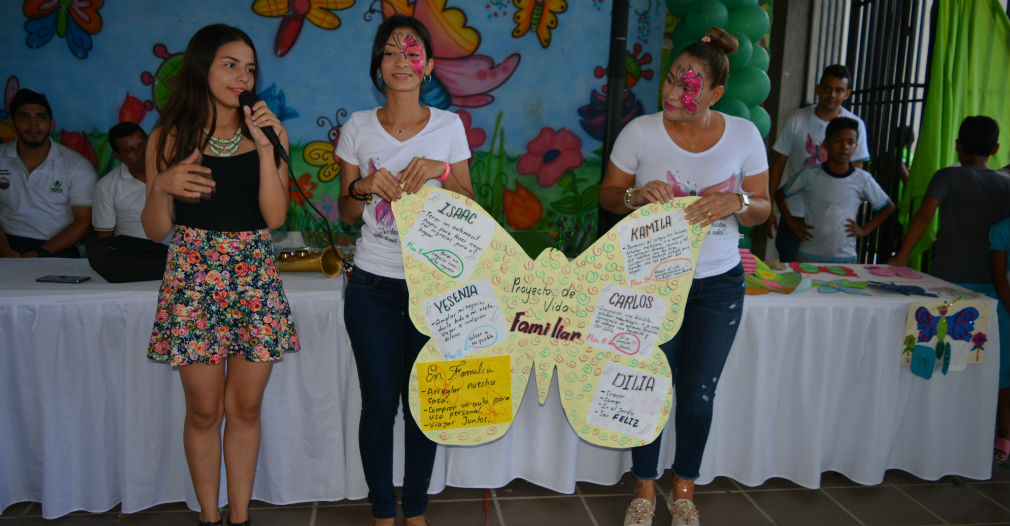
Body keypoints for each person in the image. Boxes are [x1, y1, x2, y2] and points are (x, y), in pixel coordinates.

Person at [599, 28, 770, 526]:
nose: (674, 93)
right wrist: (633, 197)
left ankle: (685, 489)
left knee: (698, 391)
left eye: (689, 86)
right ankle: (645, 489)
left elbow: (761, 208)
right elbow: (608, 196)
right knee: (645, 384)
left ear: (715, 94)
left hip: (718, 284)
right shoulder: (640, 132)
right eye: (672, 80)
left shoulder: (743, 135)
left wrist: (735, 201)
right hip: (650, 282)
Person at [140, 24, 299, 526]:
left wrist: (267, 145)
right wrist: (162, 187)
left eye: (249, 67)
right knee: (205, 409)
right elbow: (154, 229)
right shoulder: (169, 135)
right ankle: (210, 516)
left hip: (253, 273)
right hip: (193, 277)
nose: (242, 75)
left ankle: (240, 517)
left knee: (246, 405)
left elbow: (275, 219)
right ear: (202, 67)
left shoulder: (271, 133)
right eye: (230, 63)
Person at [335, 14, 474, 526]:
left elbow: (470, 203)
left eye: (412, 52)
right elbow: (347, 212)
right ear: (378, 65)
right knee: (377, 404)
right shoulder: (357, 127)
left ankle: (414, 511)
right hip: (371, 282)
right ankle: (381, 512)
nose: (402, 60)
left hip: (433, 285)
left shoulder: (448, 126)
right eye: (391, 51)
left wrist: (440, 170)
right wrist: (363, 188)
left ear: (429, 67)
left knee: (424, 405)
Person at [765, 65, 870, 262]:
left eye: (839, 90)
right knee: (793, 276)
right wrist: (768, 207)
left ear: (847, 94)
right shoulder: (797, 119)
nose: (832, 94)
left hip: (833, 219)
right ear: (818, 89)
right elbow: (777, 165)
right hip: (795, 215)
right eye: (828, 88)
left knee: (831, 281)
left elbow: (856, 174)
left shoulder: (855, 126)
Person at [774, 117, 894, 263]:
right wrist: (791, 222)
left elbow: (888, 207)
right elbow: (780, 195)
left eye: (850, 142)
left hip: (845, 257)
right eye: (838, 141)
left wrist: (864, 230)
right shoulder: (809, 173)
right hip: (808, 255)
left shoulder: (862, 179)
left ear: (856, 146)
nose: (845, 147)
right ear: (826, 144)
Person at [0, 88, 96, 258]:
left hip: (56, 246)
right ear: (12, 123)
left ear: (52, 124)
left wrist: (40, 253)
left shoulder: (77, 165)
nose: (33, 123)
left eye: (41, 117)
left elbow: (84, 223)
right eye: (24, 117)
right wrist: (4, 250)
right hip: (7, 242)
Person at [88, 122, 169, 282]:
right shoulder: (107, 185)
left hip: (178, 255)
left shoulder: (173, 173)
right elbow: (104, 240)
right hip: (136, 260)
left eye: (142, 145)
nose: (141, 153)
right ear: (118, 155)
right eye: (130, 150)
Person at [988, 218, 1010, 463]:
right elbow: (998, 276)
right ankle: (1004, 433)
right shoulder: (1001, 230)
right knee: (1004, 372)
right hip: (1006, 308)